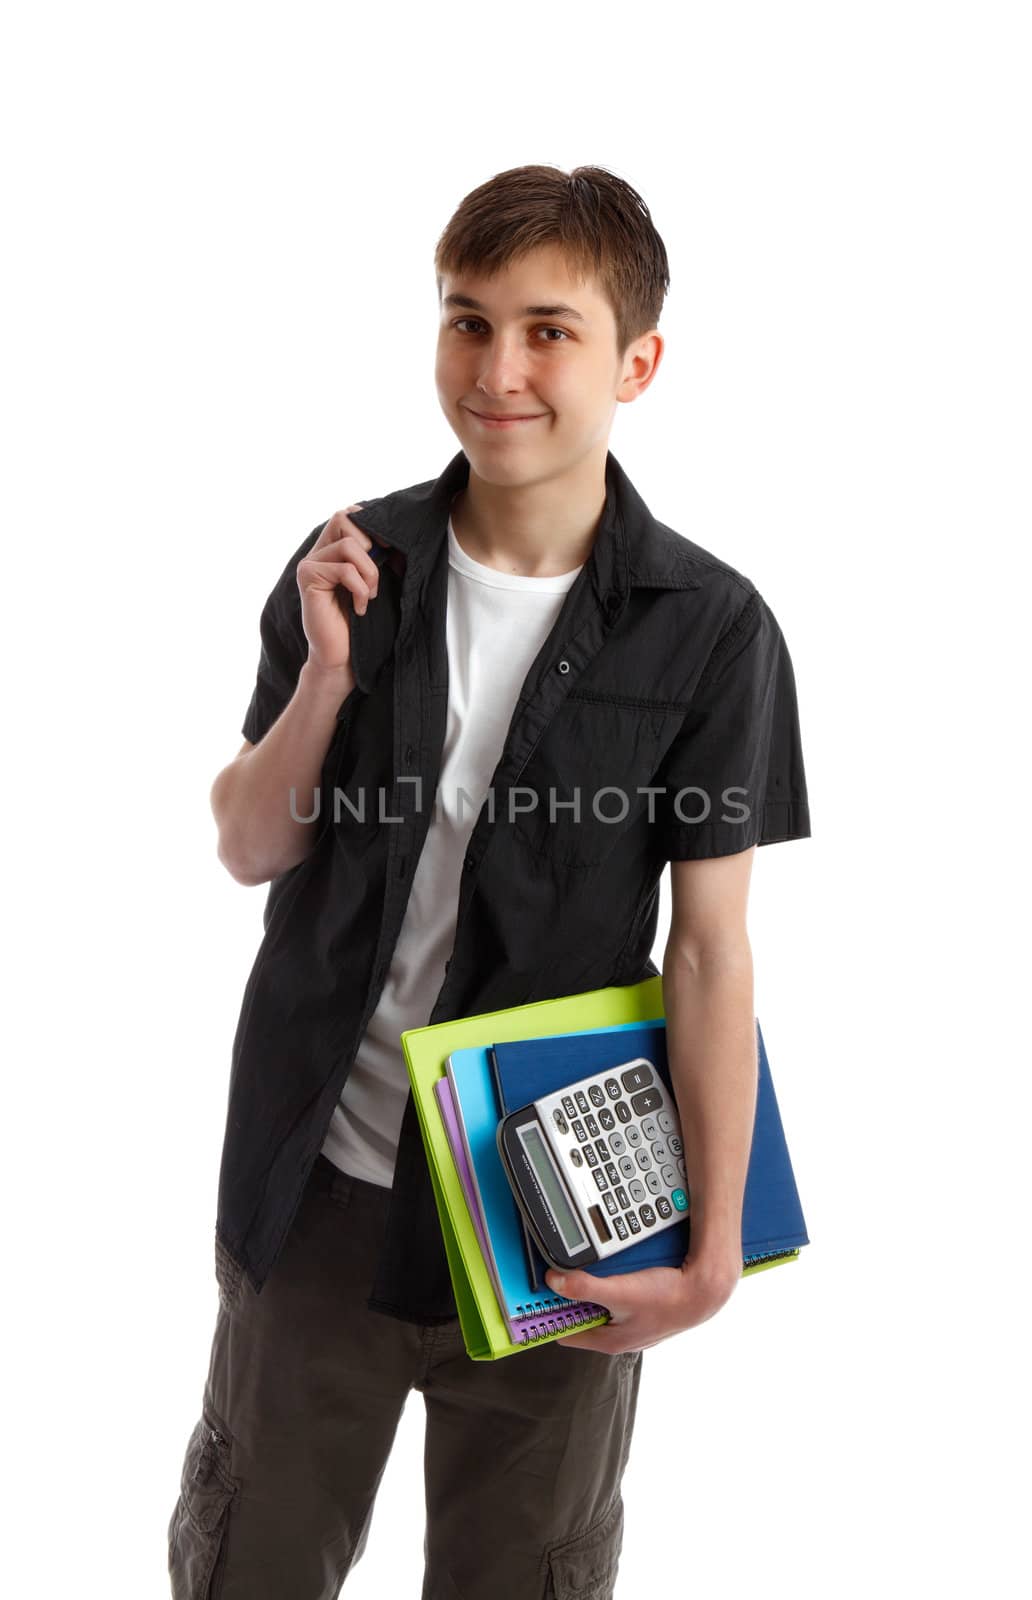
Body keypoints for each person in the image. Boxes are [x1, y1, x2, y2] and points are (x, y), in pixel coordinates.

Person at [167, 163, 811, 1599]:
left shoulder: (711, 631)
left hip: (552, 1231)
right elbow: (249, 844)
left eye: (548, 330)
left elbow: (711, 955)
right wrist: (326, 678)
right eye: (467, 322)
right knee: (247, 1565)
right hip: (317, 1196)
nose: (497, 369)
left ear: (637, 362)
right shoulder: (351, 567)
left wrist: (708, 1256)